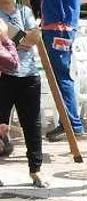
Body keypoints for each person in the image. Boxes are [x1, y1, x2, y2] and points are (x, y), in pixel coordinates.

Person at [0, 1, 45, 187]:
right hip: (4, 76)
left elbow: (35, 38)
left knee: (33, 126)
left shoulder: (25, 11)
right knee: (1, 125)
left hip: (29, 75)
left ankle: (35, 171)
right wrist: (23, 38)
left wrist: (9, 38)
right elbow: (27, 38)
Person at [41, 0, 84, 141]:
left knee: (61, 78)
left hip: (59, 28)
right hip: (59, 26)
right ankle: (66, 122)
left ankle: (72, 123)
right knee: (60, 77)